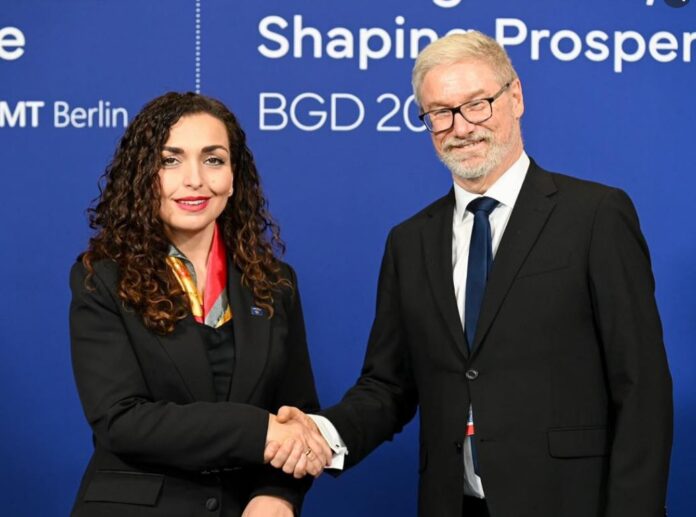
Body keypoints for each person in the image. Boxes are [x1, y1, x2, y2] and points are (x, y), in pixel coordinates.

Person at [267, 32, 673, 516]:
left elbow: (641, 387)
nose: (461, 127)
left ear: (515, 97)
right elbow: (389, 387)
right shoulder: (409, 241)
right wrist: (321, 433)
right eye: (440, 112)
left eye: (477, 104)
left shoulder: (595, 215)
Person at [69, 92, 331, 517]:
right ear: (143, 175)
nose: (194, 179)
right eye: (170, 160)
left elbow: (297, 415)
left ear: (234, 176)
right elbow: (121, 420)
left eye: (213, 160)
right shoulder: (102, 278)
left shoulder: (275, 282)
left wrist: (279, 494)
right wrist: (258, 430)